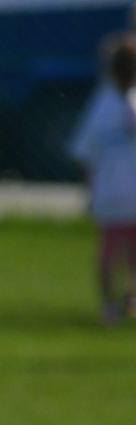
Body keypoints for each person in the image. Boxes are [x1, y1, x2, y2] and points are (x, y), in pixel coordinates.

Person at [68, 33, 136, 325]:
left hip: (109, 195)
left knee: (109, 253)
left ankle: (111, 304)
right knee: (124, 254)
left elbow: (85, 152)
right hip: (121, 195)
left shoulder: (102, 103)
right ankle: (124, 301)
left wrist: (89, 188)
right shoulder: (108, 103)